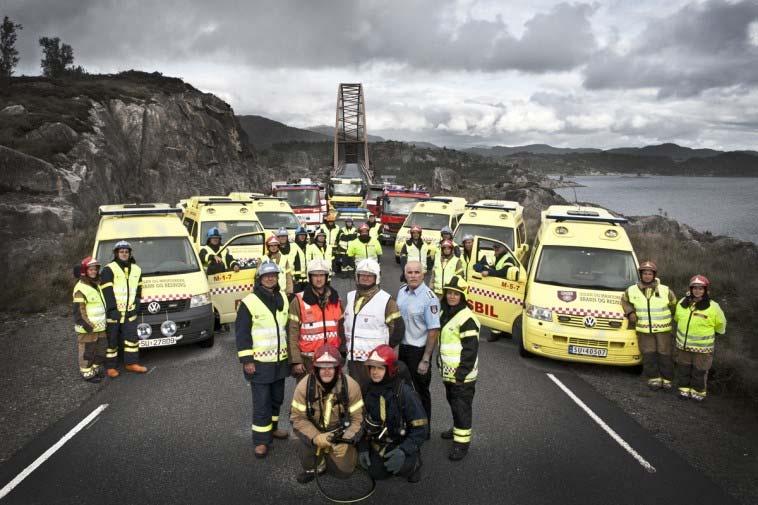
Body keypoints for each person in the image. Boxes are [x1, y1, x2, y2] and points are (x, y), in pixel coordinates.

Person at [235, 261, 291, 459]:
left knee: (277, 399)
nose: (270, 278)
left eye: (274, 275)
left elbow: (285, 328)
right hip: (259, 362)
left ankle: (273, 428)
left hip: (280, 360)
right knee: (262, 402)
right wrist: (247, 360)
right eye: (266, 276)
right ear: (259, 279)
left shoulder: (282, 296)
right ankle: (260, 440)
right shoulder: (249, 302)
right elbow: (242, 334)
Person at [290, 344, 364, 484]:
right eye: (322, 367)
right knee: (308, 458)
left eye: (330, 367)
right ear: (315, 368)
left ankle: (337, 454)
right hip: (315, 429)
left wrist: (346, 441)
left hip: (340, 432)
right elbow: (297, 418)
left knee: (344, 473)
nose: (326, 371)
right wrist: (315, 437)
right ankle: (317, 465)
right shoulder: (304, 386)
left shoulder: (351, 386)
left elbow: (358, 419)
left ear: (338, 368)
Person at [358, 345, 427, 483]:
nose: (375, 372)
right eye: (372, 367)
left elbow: (421, 429)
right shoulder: (367, 389)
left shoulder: (404, 393)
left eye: (380, 368)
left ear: (389, 369)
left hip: (402, 441)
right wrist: (363, 447)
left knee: (403, 466)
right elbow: (362, 422)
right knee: (375, 472)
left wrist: (404, 450)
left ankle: (414, 465)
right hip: (380, 439)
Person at [344, 259, 405, 391]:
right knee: (355, 395)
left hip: (374, 362)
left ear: (376, 278)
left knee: (373, 395)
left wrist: (386, 350)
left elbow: (398, 329)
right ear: (357, 277)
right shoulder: (350, 297)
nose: (365, 278)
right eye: (362, 275)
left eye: (369, 275)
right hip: (354, 360)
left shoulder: (386, 300)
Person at [438, 275, 480, 460]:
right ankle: (457, 430)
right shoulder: (446, 312)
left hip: (462, 377)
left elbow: (470, 351)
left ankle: (461, 444)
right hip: (450, 375)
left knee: (462, 408)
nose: (452, 296)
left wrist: (461, 375)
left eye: (456, 294)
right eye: (449, 293)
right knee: (454, 405)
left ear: (463, 296)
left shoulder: (467, 318)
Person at [621, 261, 677, 390]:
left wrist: (672, 318)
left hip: (663, 330)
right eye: (645, 273)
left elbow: (674, 304)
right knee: (649, 354)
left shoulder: (665, 290)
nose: (647, 276)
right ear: (641, 275)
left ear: (654, 275)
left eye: (650, 273)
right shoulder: (631, 290)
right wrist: (630, 312)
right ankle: (654, 379)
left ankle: (667, 380)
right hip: (644, 329)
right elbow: (624, 300)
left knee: (664, 354)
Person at [397, 260, 440, 426]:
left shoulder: (430, 299)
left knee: (421, 392)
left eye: (417, 272)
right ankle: (409, 425)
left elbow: (433, 330)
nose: (413, 276)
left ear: (423, 274)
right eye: (410, 272)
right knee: (403, 389)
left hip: (419, 351)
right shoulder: (402, 292)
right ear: (405, 274)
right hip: (403, 349)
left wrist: (426, 358)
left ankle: (424, 428)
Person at [288, 259, 345, 382]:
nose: (318, 279)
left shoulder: (336, 300)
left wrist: (343, 353)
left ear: (326, 277)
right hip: (308, 361)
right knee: (308, 396)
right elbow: (292, 333)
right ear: (310, 277)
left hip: (331, 359)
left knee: (332, 397)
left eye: (321, 275)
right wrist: (296, 361)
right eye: (315, 275)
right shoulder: (298, 301)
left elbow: (342, 330)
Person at [673, 275, 727, 401]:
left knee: (700, 371)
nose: (697, 291)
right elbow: (677, 318)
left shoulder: (714, 306)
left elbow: (721, 324)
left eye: (701, 288)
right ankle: (684, 390)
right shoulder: (682, 303)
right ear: (690, 289)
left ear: (706, 290)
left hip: (703, 349)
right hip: (683, 346)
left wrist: (716, 334)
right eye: (695, 288)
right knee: (683, 369)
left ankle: (698, 393)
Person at [100, 240, 147, 375]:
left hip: (130, 312)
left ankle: (131, 364)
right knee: (112, 341)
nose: (124, 254)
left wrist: (137, 303)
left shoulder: (137, 269)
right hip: (114, 313)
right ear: (116, 253)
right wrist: (112, 309)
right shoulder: (109, 269)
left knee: (132, 339)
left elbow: (138, 289)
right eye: (121, 252)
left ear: (130, 253)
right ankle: (110, 367)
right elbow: (106, 291)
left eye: (126, 252)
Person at [72, 256, 108, 383]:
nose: (94, 272)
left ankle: (95, 369)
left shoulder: (96, 284)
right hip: (88, 328)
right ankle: (87, 374)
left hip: (100, 327)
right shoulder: (80, 288)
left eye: (95, 269)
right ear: (85, 271)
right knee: (88, 352)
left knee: (101, 349)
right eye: (90, 270)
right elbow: (78, 312)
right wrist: (89, 327)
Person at [290, 226, 310, 293]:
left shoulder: (308, 247)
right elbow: (291, 263)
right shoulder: (293, 246)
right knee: (297, 299)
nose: (302, 237)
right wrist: (293, 277)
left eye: (304, 235)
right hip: (297, 280)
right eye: (300, 235)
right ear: (297, 236)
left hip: (307, 279)